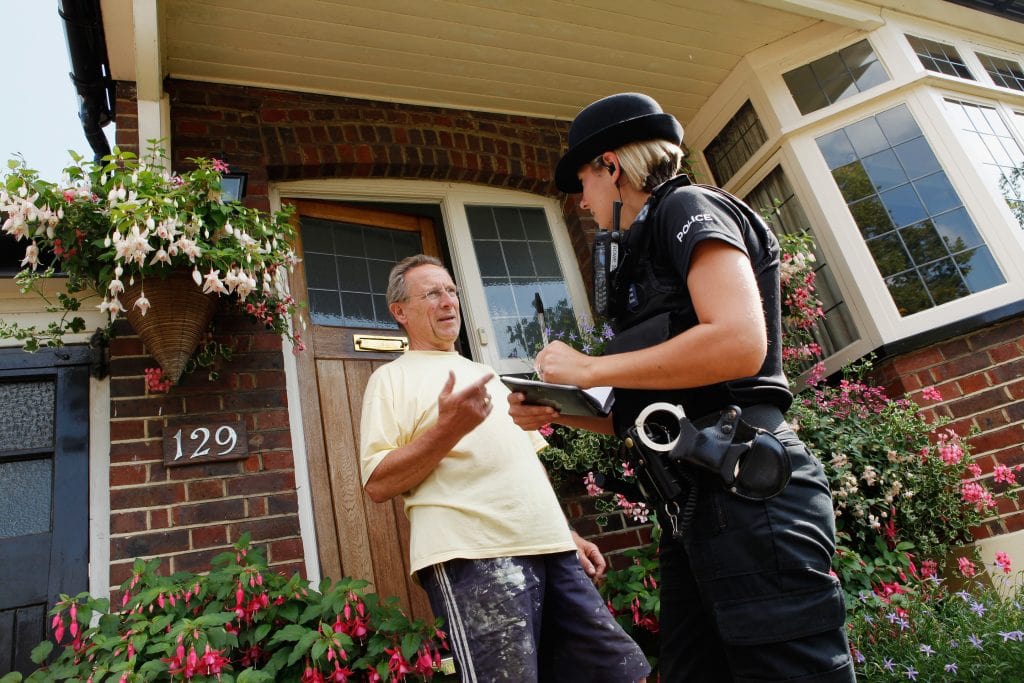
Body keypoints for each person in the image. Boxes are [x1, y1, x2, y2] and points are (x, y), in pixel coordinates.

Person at [508, 93, 856, 682]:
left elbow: (739, 342)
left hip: (749, 491)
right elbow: (644, 410)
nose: (583, 202)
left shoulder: (687, 206)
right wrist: (558, 412)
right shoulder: (641, 254)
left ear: (612, 167)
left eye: (584, 184)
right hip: (693, 510)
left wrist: (590, 369)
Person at [358, 254, 651, 683]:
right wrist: (449, 429)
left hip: (551, 548)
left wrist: (565, 533)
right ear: (399, 311)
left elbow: (526, 465)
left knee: (623, 674)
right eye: (433, 293)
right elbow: (378, 482)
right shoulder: (390, 380)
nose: (449, 301)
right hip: (473, 554)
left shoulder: (489, 375)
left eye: (452, 291)